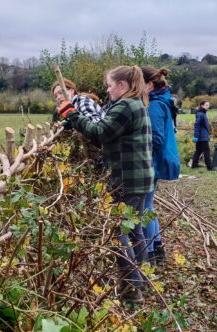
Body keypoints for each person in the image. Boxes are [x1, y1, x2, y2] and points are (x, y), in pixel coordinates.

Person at [56, 65, 153, 302]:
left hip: (127, 179)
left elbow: (99, 132)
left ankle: (132, 288)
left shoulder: (125, 106)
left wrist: (71, 112)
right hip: (138, 177)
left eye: (110, 85)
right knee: (134, 229)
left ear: (122, 85)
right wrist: (74, 121)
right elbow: (104, 131)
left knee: (117, 231)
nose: (107, 90)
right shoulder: (133, 104)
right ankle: (142, 281)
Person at [141, 67, 180, 265]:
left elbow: (155, 138)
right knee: (148, 206)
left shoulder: (155, 104)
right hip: (154, 162)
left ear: (149, 84)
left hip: (152, 162)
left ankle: (149, 253)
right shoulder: (161, 100)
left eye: (139, 83)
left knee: (144, 208)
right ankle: (156, 247)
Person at [191, 100, 214, 170]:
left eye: (208, 105)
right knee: (207, 151)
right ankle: (209, 167)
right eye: (206, 105)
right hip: (202, 136)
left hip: (203, 135)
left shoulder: (203, 113)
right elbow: (196, 125)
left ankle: (194, 165)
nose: (208, 106)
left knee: (198, 151)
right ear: (202, 106)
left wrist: (209, 134)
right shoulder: (200, 114)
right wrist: (196, 136)